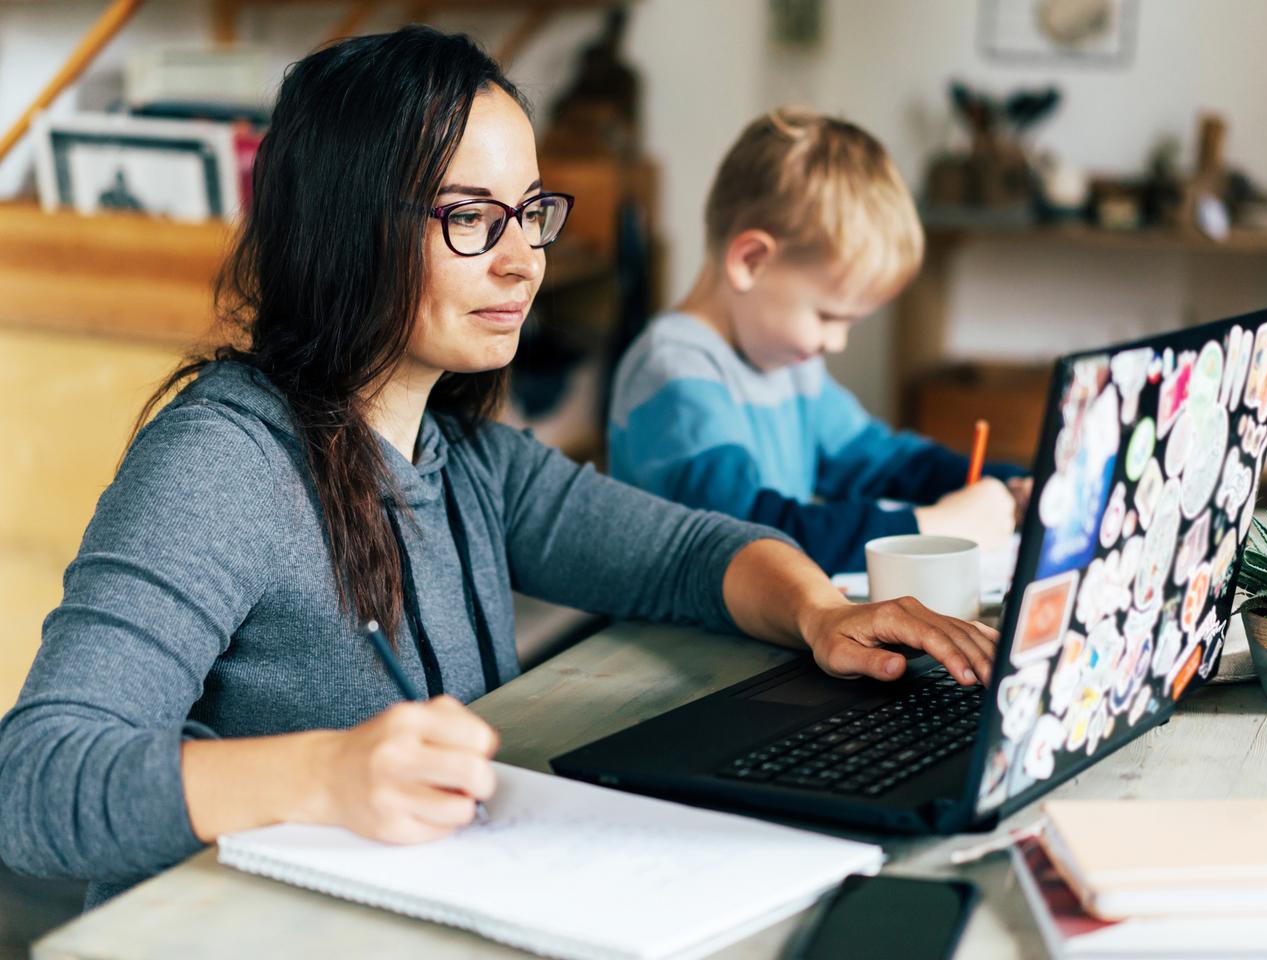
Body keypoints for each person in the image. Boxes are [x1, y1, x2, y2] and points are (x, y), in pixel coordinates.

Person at [0, 30, 998, 909]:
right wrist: (324, 774)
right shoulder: (219, 463)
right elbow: (35, 784)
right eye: (471, 217)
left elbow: (688, 552)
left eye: (528, 213)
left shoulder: (467, 456)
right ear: (347, 229)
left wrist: (818, 613)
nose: (524, 260)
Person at [608, 108, 1031, 574]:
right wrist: (930, 526)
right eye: (828, 315)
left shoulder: (788, 363)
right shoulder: (674, 373)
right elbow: (753, 537)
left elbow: (882, 462)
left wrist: (1010, 484)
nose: (837, 342)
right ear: (750, 261)